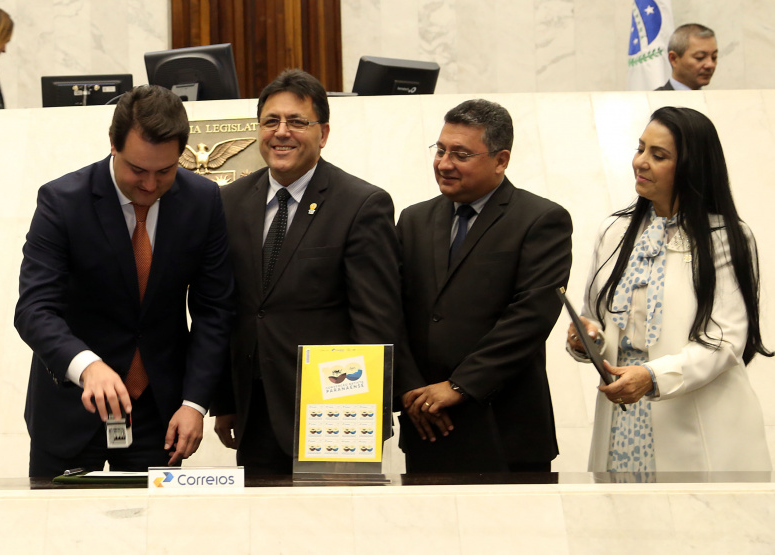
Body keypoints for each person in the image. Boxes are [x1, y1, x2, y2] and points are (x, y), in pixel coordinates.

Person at [15, 85, 234, 477]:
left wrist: (195, 402)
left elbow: (214, 310)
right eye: (137, 170)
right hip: (71, 407)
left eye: (165, 171)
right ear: (113, 145)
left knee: (154, 535)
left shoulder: (203, 201)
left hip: (159, 413)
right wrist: (86, 366)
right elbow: (34, 309)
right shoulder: (62, 202)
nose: (150, 185)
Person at [211, 69, 405, 475]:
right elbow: (227, 309)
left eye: (297, 122)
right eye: (271, 122)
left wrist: (368, 411)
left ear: (324, 132)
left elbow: (376, 318)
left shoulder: (361, 204)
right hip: (256, 411)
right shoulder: (228, 202)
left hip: (335, 412)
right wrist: (226, 401)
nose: (282, 133)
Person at [567, 106, 772, 472]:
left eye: (658, 155)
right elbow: (594, 318)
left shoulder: (726, 237)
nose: (640, 162)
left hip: (699, 424)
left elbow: (725, 341)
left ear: (692, 168)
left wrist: (651, 377)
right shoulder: (614, 231)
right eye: (640, 148)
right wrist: (587, 340)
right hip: (622, 419)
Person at [397, 99, 573, 473]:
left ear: (500, 159)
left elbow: (530, 318)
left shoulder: (541, 220)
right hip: (427, 424)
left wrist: (459, 386)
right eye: (441, 150)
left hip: (505, 427)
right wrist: (412, 390)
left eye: (461, 154)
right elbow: (392, 309)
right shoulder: (413, 220)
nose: (444, 163)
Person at [655, 24, 717, 91]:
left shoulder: (720, 100)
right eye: (700, 57)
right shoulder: (651, 100)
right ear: (673, 59)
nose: (710, 64)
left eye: (714, 57)